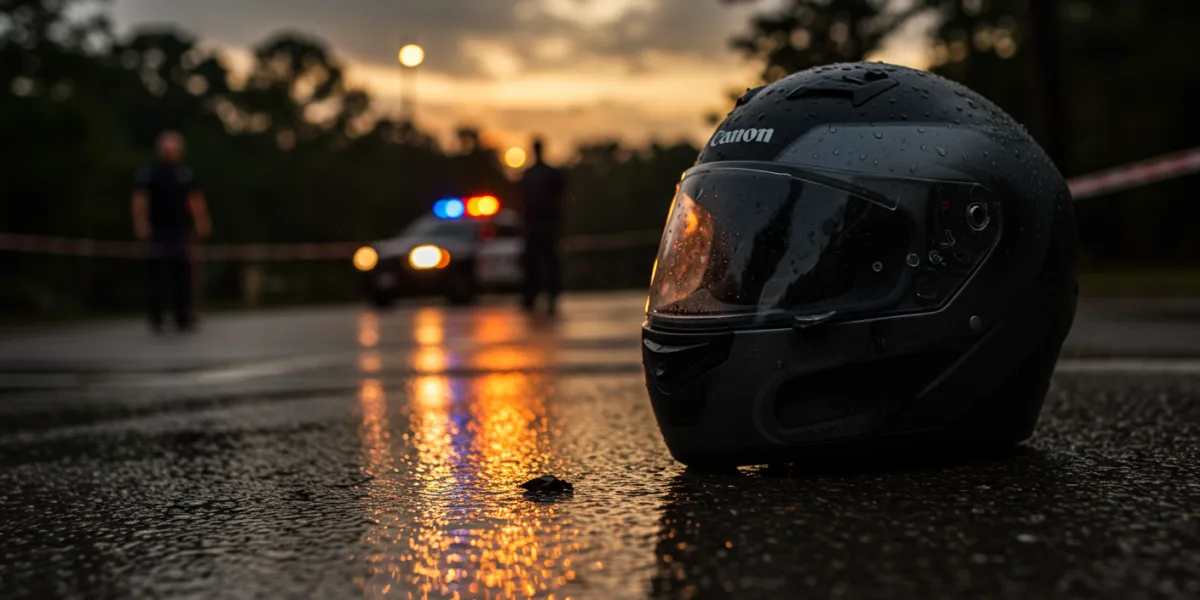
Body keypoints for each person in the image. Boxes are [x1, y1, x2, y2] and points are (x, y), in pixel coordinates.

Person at [132, 131, 211, 333]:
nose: (169, 151)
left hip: (181, 230)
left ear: (179, 150)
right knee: (157, 274)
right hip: (158, 230)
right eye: (166, 148)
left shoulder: (185, 173)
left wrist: (201, 221)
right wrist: (141, 223)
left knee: (183, 274)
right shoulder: (149, 172)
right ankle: (156, 317)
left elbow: (194, 199)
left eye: (173, 148)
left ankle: (183, 316)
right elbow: (140, 199)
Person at [518, 137, 567, 314]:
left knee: (548, 263)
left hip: (545, 225)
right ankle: (532, 296)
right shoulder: (531, 174)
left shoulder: (544, 174)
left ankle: (549, 295)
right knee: (533, 264)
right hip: (536, 225)